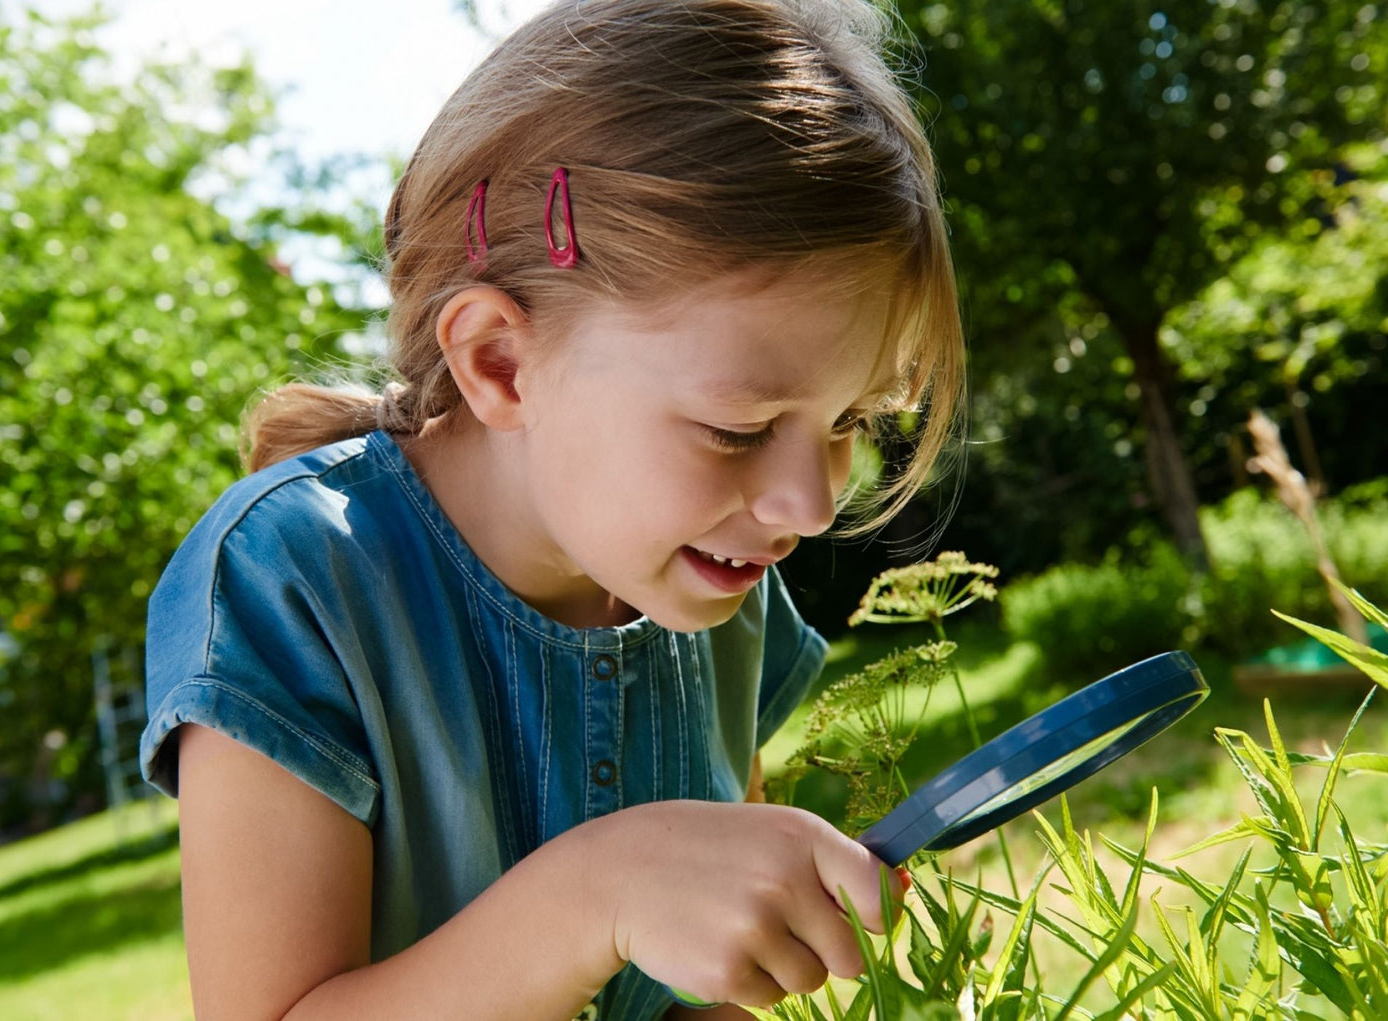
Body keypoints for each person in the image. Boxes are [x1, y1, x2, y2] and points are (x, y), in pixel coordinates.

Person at [139, 0, 965, 1017]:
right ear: (499, 362)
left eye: (851, 420)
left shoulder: (709, 585)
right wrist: (601, 891)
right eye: (738, 430)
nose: (805, 503)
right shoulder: (291, 578)